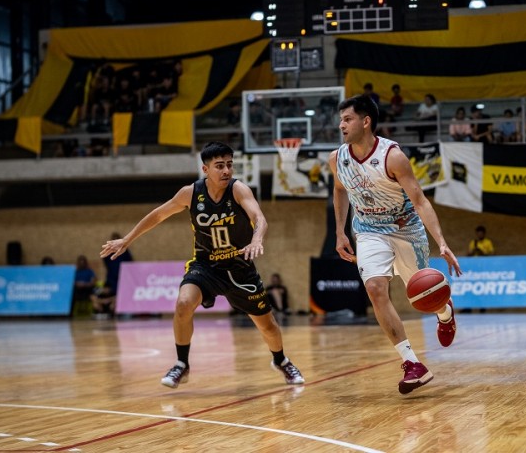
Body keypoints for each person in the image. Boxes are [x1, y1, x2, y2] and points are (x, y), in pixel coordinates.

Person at [99, 141, 304, 388]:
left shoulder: (238, 190)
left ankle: (281, 361)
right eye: (220, 166)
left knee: (268, 326)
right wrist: (127, 239)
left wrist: (256, 239)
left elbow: (259, 217)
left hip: (240, 268)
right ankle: (181, 364)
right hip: (205, 266)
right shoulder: (190, 193)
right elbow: (158, 214)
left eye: (229, 165)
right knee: (183, 304)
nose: (226, 170)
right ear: (205, 169)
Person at [330, 94, 462, 395]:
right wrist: (340, 231)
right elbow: (339, 189)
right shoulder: (337, 158)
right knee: (375, 288)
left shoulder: (393, 157)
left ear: (366, 121)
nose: (341, 125)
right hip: (368, 231)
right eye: (341, 120)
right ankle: (412, 363)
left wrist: (441, 242)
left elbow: (420, 200)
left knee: (425, 296)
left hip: (406, 231)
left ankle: (444, 312)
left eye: (348, 119)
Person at [93, 232, 133, 317]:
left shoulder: (125, 251)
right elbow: (105, 259)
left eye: (117, 238)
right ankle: (106, 310)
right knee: (110, 291)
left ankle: (119, 310)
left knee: (120, 293)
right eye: (114, 238)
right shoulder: (109, 250)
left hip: (122, 276)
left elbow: (129, 262)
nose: (115, 239)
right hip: (111, 276)